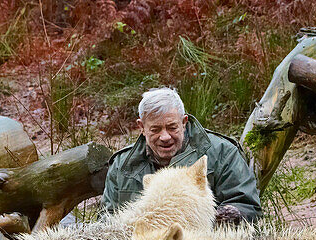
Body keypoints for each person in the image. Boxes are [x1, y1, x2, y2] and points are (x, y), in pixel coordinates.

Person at [102, 87, 261, 224]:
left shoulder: (222, 153)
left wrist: (219, 217)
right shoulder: (121, 165)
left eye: (172, 128)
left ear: (184, 122)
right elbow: (107, 221)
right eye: (155, 130)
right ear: (141, 127)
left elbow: (248, 207)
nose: (165, 137)